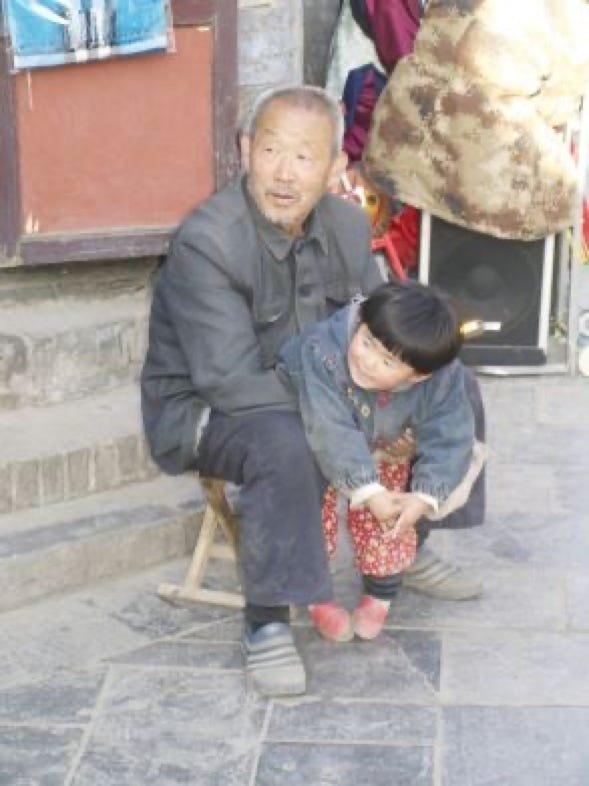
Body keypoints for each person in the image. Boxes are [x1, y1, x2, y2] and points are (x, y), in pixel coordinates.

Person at [141, 84, 484, 698]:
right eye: (271, 149)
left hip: (332, 388)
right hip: (214, 410)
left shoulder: (347, 225)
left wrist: (395, 389)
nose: (284, 173)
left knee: (447, 382)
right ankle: (268, 618)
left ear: (333, 167)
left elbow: (380, 323)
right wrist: (359, 421)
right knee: (288, 441)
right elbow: (227, 381)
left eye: (304, 157)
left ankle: (406, 535)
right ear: (245, 149)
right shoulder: (208, 242)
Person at [278, 279, 485, 642]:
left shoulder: (442, 377)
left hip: (380, 434)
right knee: (310, 499)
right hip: (308, 431)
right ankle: (316, 593)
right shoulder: (322, 351)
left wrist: (424, 497)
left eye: (387, 361)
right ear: (361, 321)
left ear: (419, 376)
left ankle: (381, 593)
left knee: (395, 504)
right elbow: (330, 430)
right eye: (366, 342)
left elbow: (450, 437)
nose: (367, 361)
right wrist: (367, 490)